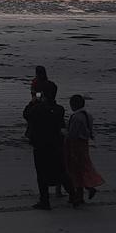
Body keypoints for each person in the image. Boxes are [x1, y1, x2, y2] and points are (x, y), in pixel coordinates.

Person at [22, 81, 66, 210]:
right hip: (55, 143)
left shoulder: (39, 108)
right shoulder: (59, 109)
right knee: (60, 171)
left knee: (41, 174)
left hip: (41, 144)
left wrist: (33, 102)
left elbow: (26, 114)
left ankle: (44, 200)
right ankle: (73, 194)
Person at [63, 93, 104, 207]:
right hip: (84, 143)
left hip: (76, 145)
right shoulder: (88, 115)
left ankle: (80, 194)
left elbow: (72, 134)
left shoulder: (76, 117)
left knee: (75, 169)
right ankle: (85, 190)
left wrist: (63, 133)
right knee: (83, 167)